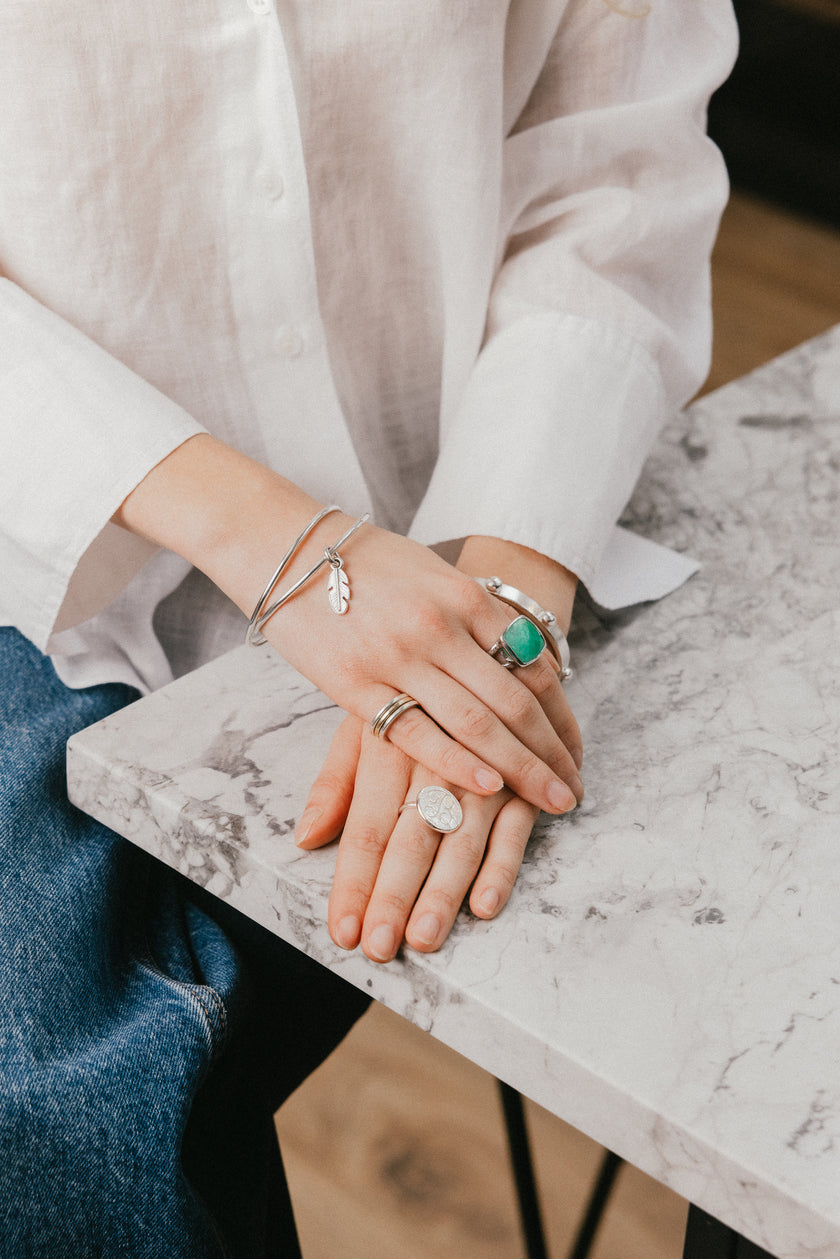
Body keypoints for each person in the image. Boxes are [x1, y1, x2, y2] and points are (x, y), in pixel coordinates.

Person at [0, 1, 737, 1254]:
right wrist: (291, 547)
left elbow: (620, 165)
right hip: (35, 545)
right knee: (49, 1104)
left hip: (476, 473)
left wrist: (499, 586)